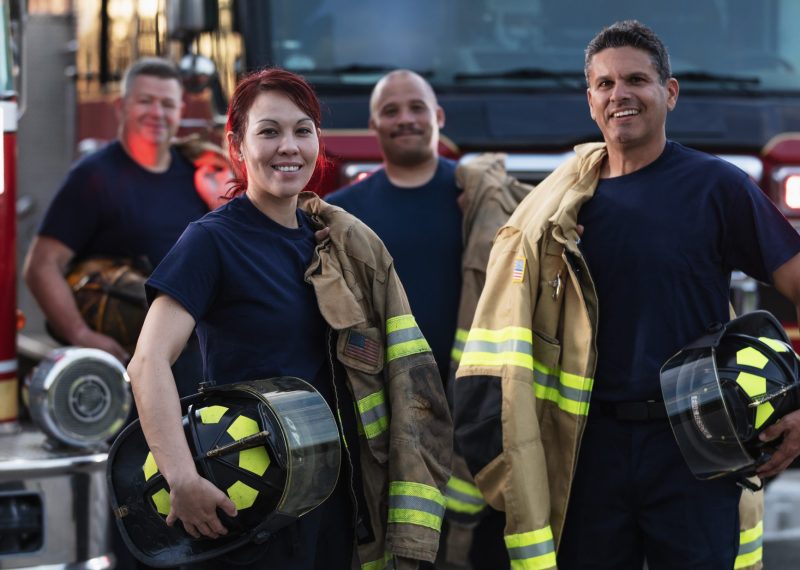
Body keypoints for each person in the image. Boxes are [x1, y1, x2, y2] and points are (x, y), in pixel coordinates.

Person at [453, 20, 800, 570]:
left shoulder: (718, 187)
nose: (620, 95)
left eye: (636, 80)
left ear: (670, 92)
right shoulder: (559, 208)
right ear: (590, 101)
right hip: (589, 452)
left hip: (697, 445)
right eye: (605, 84)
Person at [126, 67, 452, 570]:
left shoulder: (333, 245)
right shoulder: (212, 241)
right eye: (269, 131)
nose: (289, 146)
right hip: (252, 501)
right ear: (236, 145)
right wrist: (183, 478)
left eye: (303, 130)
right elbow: (147, 362)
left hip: (334, 500)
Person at [326, 70, 524, 569]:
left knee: (478, 544)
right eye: (391, 111)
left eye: (416, 107)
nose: (405, 119)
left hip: (473, 407)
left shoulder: (480, 204)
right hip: (386, 413)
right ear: (374, 124)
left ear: (437, 117)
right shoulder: (344, 215)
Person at [23, 57, 211, 374]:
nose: (157, 113)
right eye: (145, 101)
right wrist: (80, 334)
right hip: (124, 364)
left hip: (193, 357)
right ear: (120, 106)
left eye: (167, 104)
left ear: (181, 110)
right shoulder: (93, 177)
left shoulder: (201, 174)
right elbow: (41, 266)